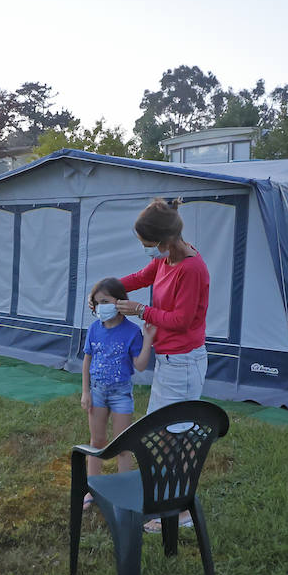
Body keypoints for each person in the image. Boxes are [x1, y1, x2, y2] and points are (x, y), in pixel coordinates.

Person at [113, 197, 211, 529]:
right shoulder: (166, 260)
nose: (146, 250)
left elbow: (182, 320)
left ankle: (178, 511)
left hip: (183, 363)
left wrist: (140, 311)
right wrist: (108, 289)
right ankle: (165, 495)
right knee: (161, 432)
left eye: (147, 244)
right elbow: (141, 277)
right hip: (170, 362)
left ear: (165, 240)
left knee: (176, 437)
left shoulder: (191, 268)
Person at [80, 277, 155, 506]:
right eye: (97, 302)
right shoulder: (94, 329)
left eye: (106, 301)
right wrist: (86, 392)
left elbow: (140, 365)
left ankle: (123, 489)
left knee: (123, 444)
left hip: (121, 394)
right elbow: (87, 361)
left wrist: (148, 340)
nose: (101, 306)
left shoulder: (132, 332)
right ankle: (92, 488)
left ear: (120, 301)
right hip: (98, 392)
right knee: (97, 441)